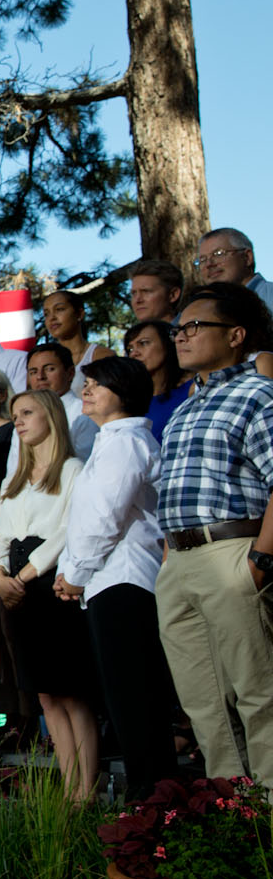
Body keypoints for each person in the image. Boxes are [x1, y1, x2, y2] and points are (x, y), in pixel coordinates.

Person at [155, 283, 273, 788]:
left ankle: (269, 812)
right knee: (202, 700)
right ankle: (231, 812)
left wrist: (260, 562)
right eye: (178, 328)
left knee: (259, 692)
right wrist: (168, 558)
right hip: (179, 561)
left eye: (194, 326)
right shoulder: (187, 405)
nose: (181, 336)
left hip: (233, 553)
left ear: (236, 335)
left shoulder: (258, 393)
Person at [55, 357, 178, 800]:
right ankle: (149, 796)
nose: (85, 391)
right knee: (123, 698)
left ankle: (154, 800)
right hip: (105, 581)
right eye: (85, 384)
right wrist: (72, 569)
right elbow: (83, 516)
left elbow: (105, 517)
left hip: (125, 580)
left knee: (135, 698)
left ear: (122, 393)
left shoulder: (127, 442)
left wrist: (75, 572)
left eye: (96, 384)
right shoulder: (109, 442)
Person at [0, 390, 95, 801]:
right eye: (15, 414)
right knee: (45, 693)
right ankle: (70, 790)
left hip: (51, 583)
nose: (18, 421)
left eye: (27, 412)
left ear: (51, 416)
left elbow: (71, 527)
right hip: (14, 584)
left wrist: (29, 572)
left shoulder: (72, 469)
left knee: (71, 690)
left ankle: (87, 789)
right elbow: (1, 534)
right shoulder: (14, 478)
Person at [23, 344, 98, 460]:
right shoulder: (22, 418)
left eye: (49, 369)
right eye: (33, 372)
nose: (40, 376)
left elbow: (82, 466)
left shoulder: (84, 415)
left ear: (70, 373)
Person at [124, 320, 192, 443]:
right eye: (130, 349)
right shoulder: (130, 400)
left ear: (168, 344)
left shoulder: (193, 390)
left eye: (143, 343)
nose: (134, 353)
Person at [42, 290, 115, 400]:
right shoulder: (42, 361)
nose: (52, 318)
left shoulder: (102, 356)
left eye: (59, 309)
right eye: (46, 314)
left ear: (80, 314)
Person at [195, 227, 273, 313]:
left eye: (218, 254)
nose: (209, 264)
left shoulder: (269, 298)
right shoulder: (200, 310)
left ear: (247, 257)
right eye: (202, 260)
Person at [129, 259, 184, 323]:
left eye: (146, 291)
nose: (137, 300)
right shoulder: (135, 332)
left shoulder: (192, 330)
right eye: (134, 293)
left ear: (173, 295)